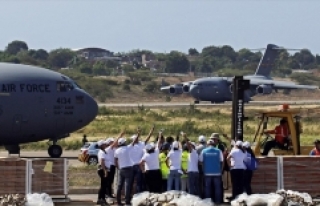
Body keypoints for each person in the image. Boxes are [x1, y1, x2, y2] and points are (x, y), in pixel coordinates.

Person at [128, 126, 154, 193]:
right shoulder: (139, 144)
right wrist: (151, 131)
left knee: (132, 182)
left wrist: (139, 134)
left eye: (133, 139)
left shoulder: (130, 146)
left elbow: (147, 138)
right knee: (139, 182)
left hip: (133, 166)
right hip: (138, 166)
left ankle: (131, 195)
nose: (132, 140)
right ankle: (138, 194)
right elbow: (147, 139)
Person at [199, 139, 224, 204]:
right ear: (214, 144)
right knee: (217, 188)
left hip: (207, 173)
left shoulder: (204, 151)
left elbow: (200, 161)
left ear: (207, 144)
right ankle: (218, 201)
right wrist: (221, 170)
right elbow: (222, 161)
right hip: (217, 173)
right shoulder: (219, 151)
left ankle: (208, 202)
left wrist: (204, 167)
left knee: (207, 188)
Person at [114, 131, 135, 206]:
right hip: (128, 168)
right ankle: (127, 202)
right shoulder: (127, 148)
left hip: (121, 169)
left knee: (119, 186)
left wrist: (118, 167)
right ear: (124, 143)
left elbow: (115, 160)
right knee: (127, 185)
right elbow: (133, 142)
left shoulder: (117, 151)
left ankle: (118, 202)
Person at [96, 140, 108, 205]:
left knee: (103, 185)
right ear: (102, 145)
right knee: (103, 186)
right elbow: (102, 162)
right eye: (104, 143)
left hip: (103, 169)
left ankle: (100, 199)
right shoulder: (101, 152)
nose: (106, 144)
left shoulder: (104, 151)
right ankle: (102, 199)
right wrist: (105, 170)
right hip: (102, 170)